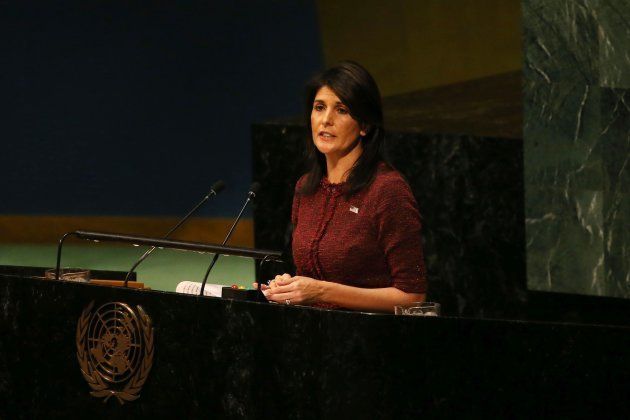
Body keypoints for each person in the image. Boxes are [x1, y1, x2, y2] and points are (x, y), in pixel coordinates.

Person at [259, 61, 427, 313]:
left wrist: (322, 290)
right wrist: (288, 287)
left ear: (365, 126)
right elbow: (309, 277)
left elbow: (412, 297)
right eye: (319, 108)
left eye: (342, 110)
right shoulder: (306, 187)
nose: (326, 120)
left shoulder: (387, 190)